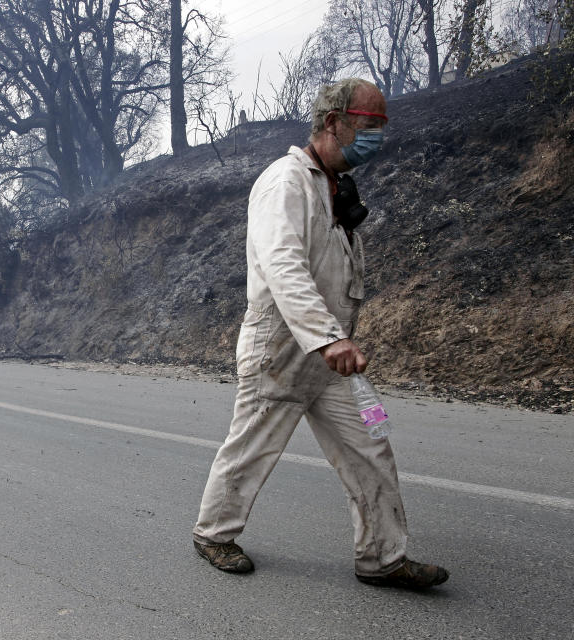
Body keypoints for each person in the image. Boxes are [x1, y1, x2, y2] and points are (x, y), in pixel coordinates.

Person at [192, 78, 449, 589]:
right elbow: (283, 265)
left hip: (332, 359)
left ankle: (383, 557)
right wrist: (327, 337)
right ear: (333, 122)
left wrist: (336, 337)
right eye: (368, 126)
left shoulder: (334, 186)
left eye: (380, 127)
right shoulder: (284, 182)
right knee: (251, 448)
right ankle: (213, 533)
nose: (376, 137)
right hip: (283, 349)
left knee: (373, 444)